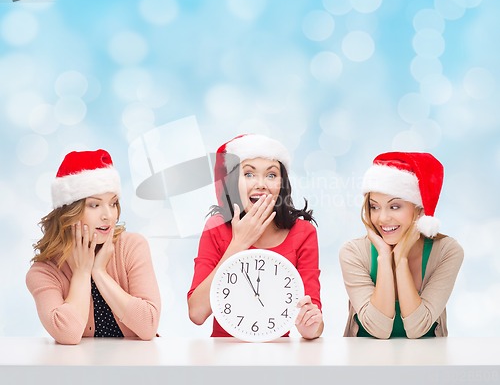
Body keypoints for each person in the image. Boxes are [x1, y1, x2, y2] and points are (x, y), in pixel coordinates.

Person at [188, 134, 323, 339]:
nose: (261, 184)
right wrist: (239, 243)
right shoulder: (216, 228)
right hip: (222, 354)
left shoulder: (303, 233)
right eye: (249, 174)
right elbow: (197, 313)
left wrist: (310, 326)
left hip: (279, 356)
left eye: (271, 175)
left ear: (281, 184)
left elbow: (314, 319)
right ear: (234, 182)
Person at [26, 149, 161, 345]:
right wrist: (82, 272)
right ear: (69, 211)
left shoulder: (131, 247)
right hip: (80, 372)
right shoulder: (44, 272)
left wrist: (99, 272)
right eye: (94, 205)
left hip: (136, 367)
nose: (108, 215)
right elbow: (68, 334)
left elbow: (148, 326)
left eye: (113, 203)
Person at [339, 151, 464, 339]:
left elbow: (417, 328)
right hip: (365, 364)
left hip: (426, 364)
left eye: (395, 206)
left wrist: (401, 259)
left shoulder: (446, 251)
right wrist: (383, 256)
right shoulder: (353, 252)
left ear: (419, 210)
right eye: (374, 206)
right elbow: (379, 329)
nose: (382, 218)